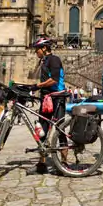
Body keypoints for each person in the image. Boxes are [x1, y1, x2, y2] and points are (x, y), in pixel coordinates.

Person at [30, 37, 67, 175]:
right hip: (46, 99)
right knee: (42, 131)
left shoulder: (54, 60)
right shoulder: (44, 62)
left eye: (37, 49)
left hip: (57, 98)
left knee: (60, 130)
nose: (36, 52)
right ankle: (41, 164)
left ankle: (64, 163)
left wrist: (37, 85)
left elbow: (54, 80)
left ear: (44, 48)